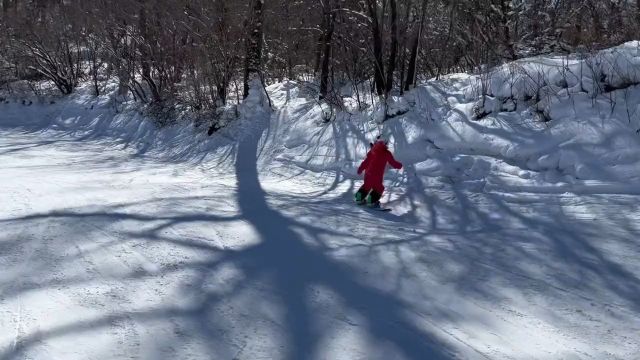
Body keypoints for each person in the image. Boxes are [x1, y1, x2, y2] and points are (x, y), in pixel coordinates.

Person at [355, 139, 403, 207]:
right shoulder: (387, 153)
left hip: (368, 174)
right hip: (377, 176)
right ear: (385, 144)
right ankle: (371, 202)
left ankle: (358, 199)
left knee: (366, 186)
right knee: (379, 188)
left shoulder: (372, 151)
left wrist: (360, 169)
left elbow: (365, 162)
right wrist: (400, 165)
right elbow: (393, 163)